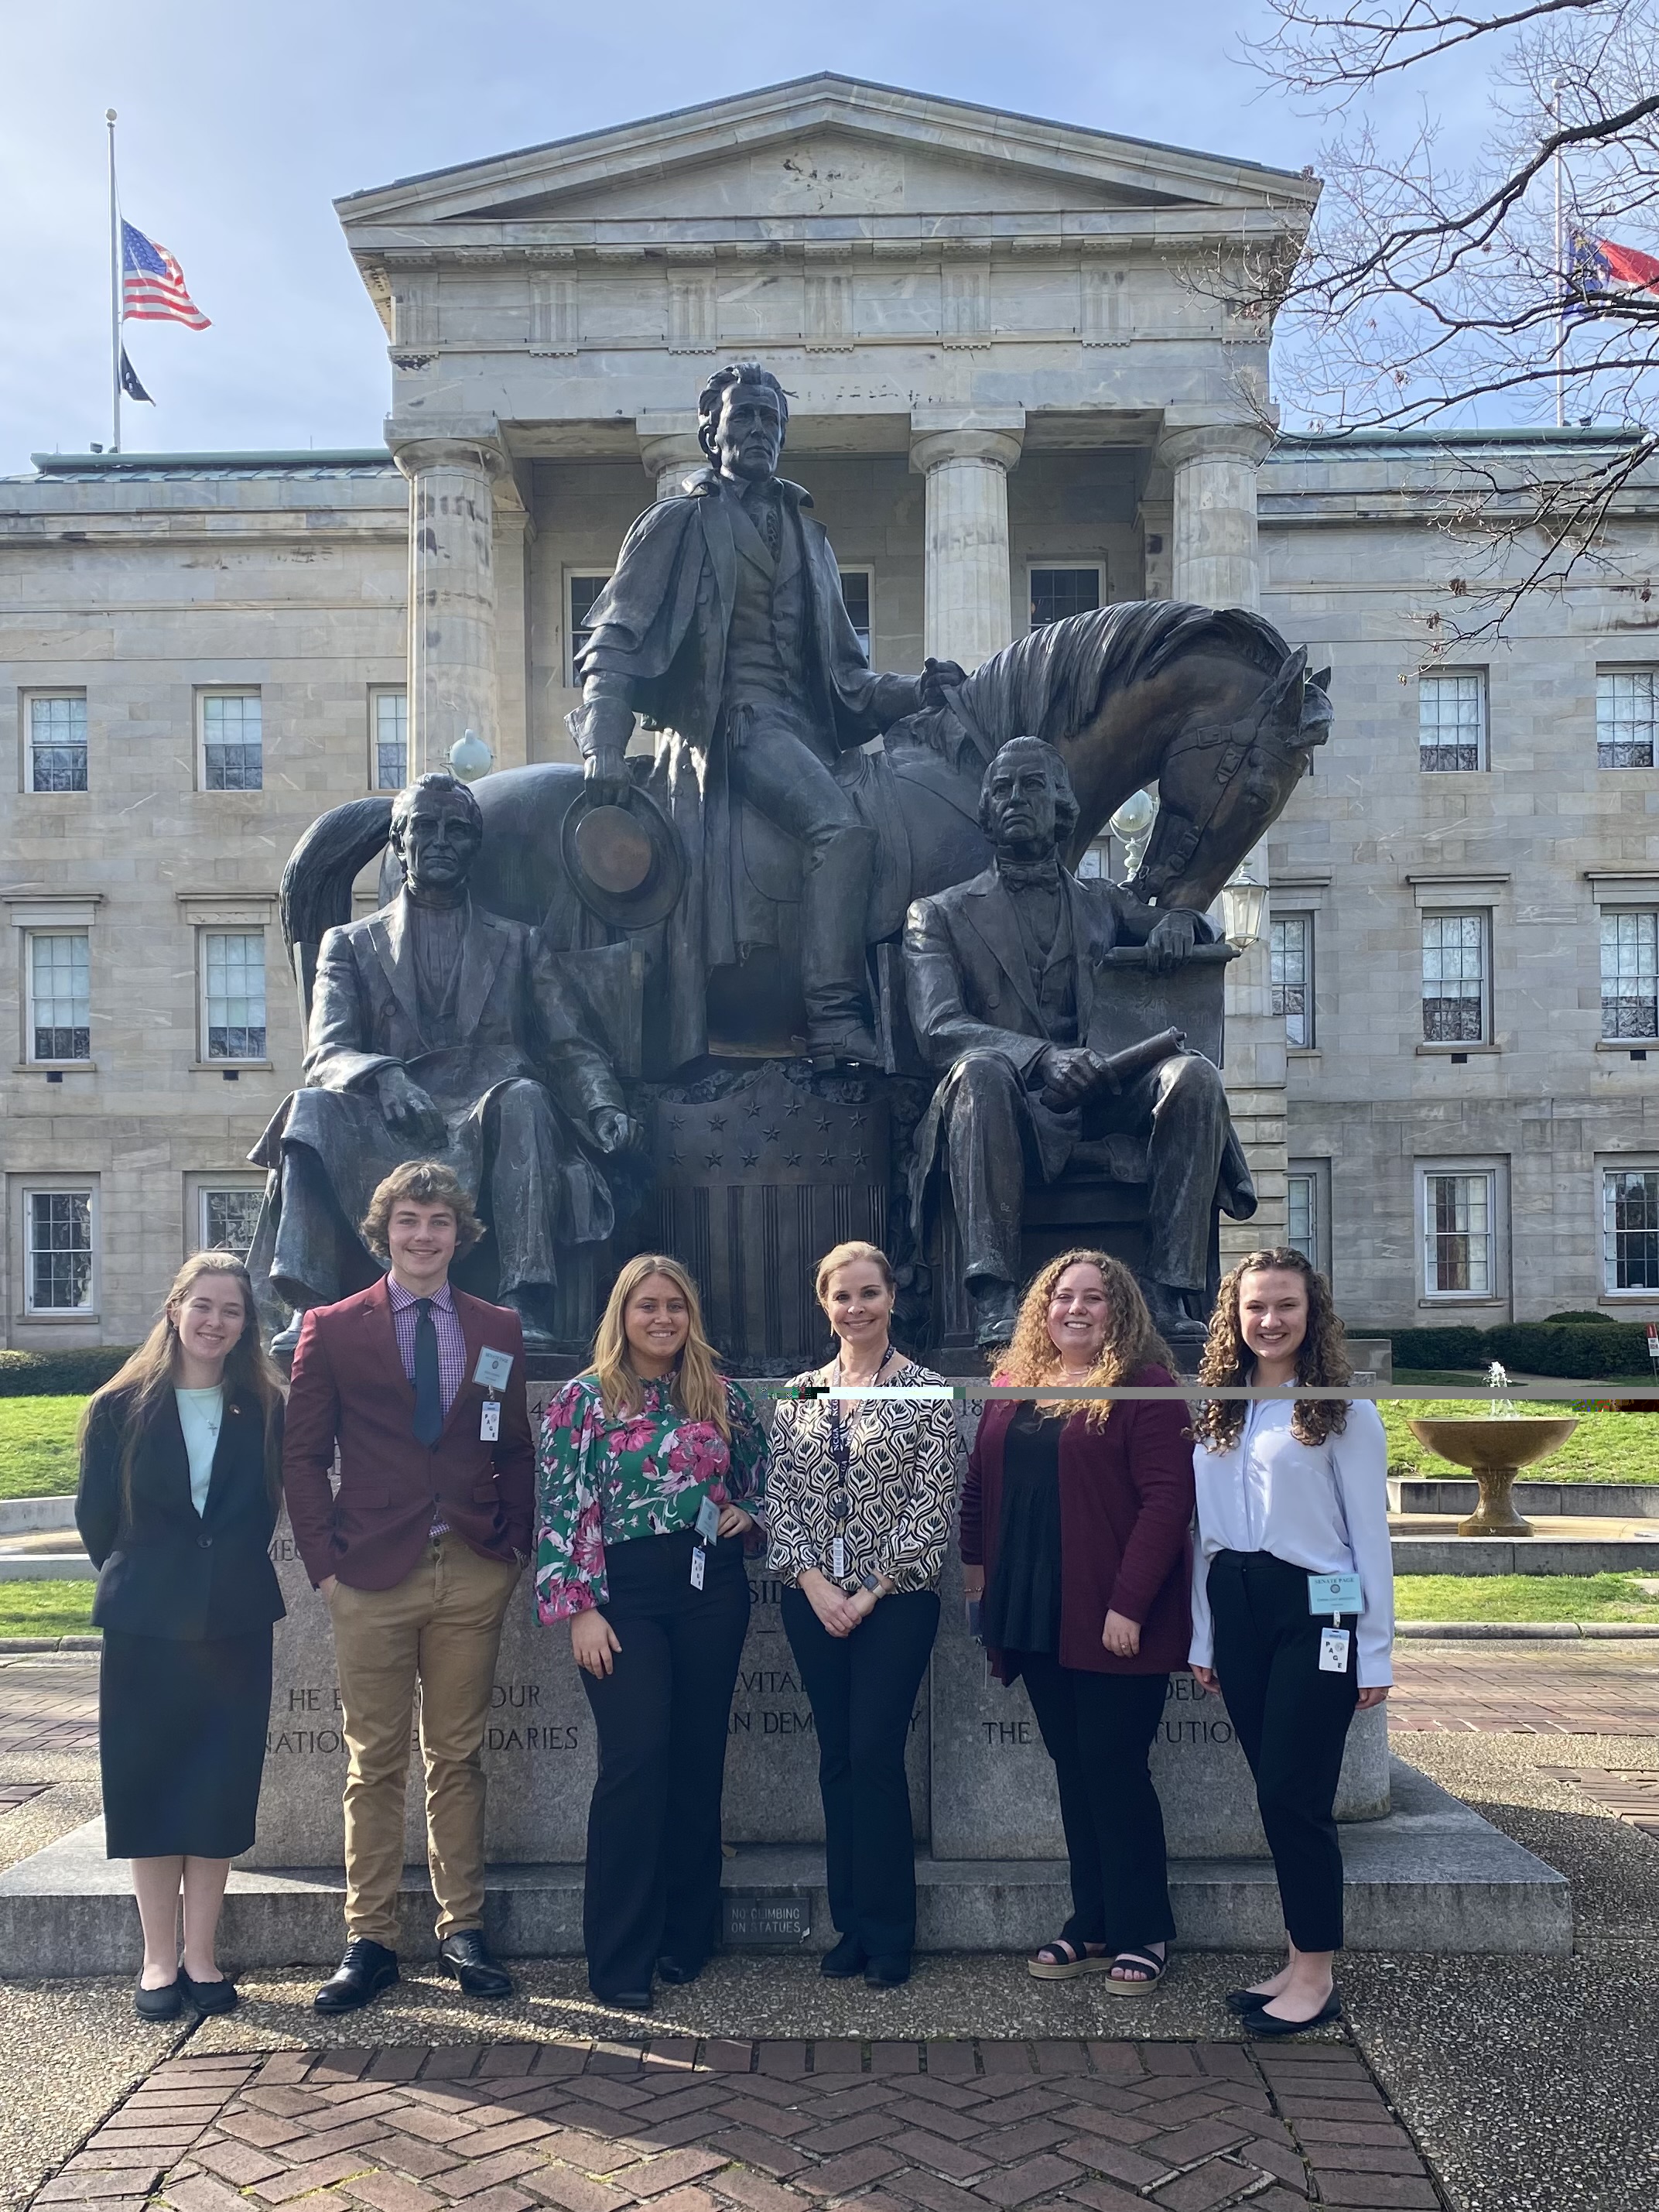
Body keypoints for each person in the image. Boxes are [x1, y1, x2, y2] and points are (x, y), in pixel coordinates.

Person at [572, 360, 964, 1070]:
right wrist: (603, 742)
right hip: (733, 727)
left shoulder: (813, 542)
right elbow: (615, 639)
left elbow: (847, 676)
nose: (759, 430)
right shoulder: (679, 522)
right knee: (841, 831)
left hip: (809, 733)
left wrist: (919, 691)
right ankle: (835, 1015)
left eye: (771, 420)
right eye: (744, 416)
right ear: (710, 430)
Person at [254, 769, 641, 1350]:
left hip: (488, 1110)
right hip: (385, 1116)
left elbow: (569, 1044)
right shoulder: (350, 944)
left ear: (474, 847)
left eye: (456, 830)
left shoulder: (518, 942)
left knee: (528, 1098)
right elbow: (326, 1051)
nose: (440, 841)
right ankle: (309, 1303)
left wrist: (602, 1104)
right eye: (424, 827)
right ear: (399, 842)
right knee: (308, 1108)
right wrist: (383, 1075)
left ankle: (523, 1300)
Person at [903, 737, 1254, 1348]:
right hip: (1005, 1102)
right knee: (979, 1070)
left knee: (1191, 1075)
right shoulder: (938, 914)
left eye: (1033, 785)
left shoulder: (1101, 903)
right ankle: (994, 1297)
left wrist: (1180, 921)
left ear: (1063, 807)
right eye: (1003, 789)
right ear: (986, 811)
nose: (1016, 798)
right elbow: (939, 1028)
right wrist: (1042, 1058)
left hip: (1099, 1098)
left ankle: (1169, 1293)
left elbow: (1192, 924)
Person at [283, 1158, 532, 2014]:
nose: (424, 1236)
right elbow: (303, 1454)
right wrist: (325, 1565)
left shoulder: (497, 1326)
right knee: (373, 1759)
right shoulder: (334, 1325)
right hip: (370, 1573)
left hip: (470, 1566)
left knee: (457, 1755)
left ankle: (461, 1927)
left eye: (439, 1222)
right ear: (382, 1231)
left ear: (460, 1233)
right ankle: (371, 1937)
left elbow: (513, 1446)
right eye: (408, 1221)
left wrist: (513, 1545)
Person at [536, 1254, 768, 2008]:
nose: (662, 1317)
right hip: (621, 1595)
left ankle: (685, 1936)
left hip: (710, 1586)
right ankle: (618, 1957)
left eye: (674, 1305)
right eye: (647, 1305)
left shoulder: (720, 1395)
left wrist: (749, 1513)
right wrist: (580, 1609)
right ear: (623, 1314)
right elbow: (562, 1509)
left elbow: (762, 1479)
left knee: (698, 1760)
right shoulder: (583, 1399)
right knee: (634, 1762)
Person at [960, 1250, 1193, 1991]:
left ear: (1118, 1309)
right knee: (1074, 1770)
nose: (1076, 1309)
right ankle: (1091, 1922)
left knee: (1116, 1771)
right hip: (1034, 1612)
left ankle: (1143, 1930)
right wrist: (978, 1582)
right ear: (1043, 1307)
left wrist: (1130, 1603)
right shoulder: (1013, 1383)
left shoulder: (1146, 1386)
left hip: (1111, 1615)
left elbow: (1167, 1503)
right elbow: (979, 1483)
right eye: (1063, 1296)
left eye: (1094, 1298)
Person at [1189, 1246, 1394, 2037]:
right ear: (1232, 1316)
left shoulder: (1339, 1408)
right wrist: (1204, 1635)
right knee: (1275, 1790)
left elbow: (1368, 1539)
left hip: (1318, 1610)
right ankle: (1294, 1955)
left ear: (1311, 1315)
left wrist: (1371, 1647)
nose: (1268, 1320)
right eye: (1253, 1306)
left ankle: (1316, 1974)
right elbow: (1202, 1537)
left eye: (1284, 1305)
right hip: (1236, 1610)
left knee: (1292, 1791)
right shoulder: (1220, 1406)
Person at [76, 1252, 286, 2021]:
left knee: (218, 1783)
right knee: (150, 1783)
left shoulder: (266, 1406)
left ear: (245, 1324)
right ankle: (157, 1956)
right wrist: (158, 1581)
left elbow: (263, 1509)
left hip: (233, 1620)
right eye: (203, 1305)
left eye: (231, 1310)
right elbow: (98, 1521)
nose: (215, 1321)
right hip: (145, 1621)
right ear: (175, 1308)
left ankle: (202, 1952)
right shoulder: (118, 1405)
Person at [765, 1241, 961, 1988]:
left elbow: (931, 1505)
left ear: (891, 1300)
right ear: (825, 1303)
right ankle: (849, 1923)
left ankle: (889, 1932)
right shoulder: (801, 1394)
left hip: (896, 1602)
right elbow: (780, 1498)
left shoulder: (927, 1390)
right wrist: (815, 1585)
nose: (857, 1308)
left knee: (877, 1757)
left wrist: (869, 1592)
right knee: (838, 1758)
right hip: (811, 1600)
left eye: (870, 1293)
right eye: (843, 1296)